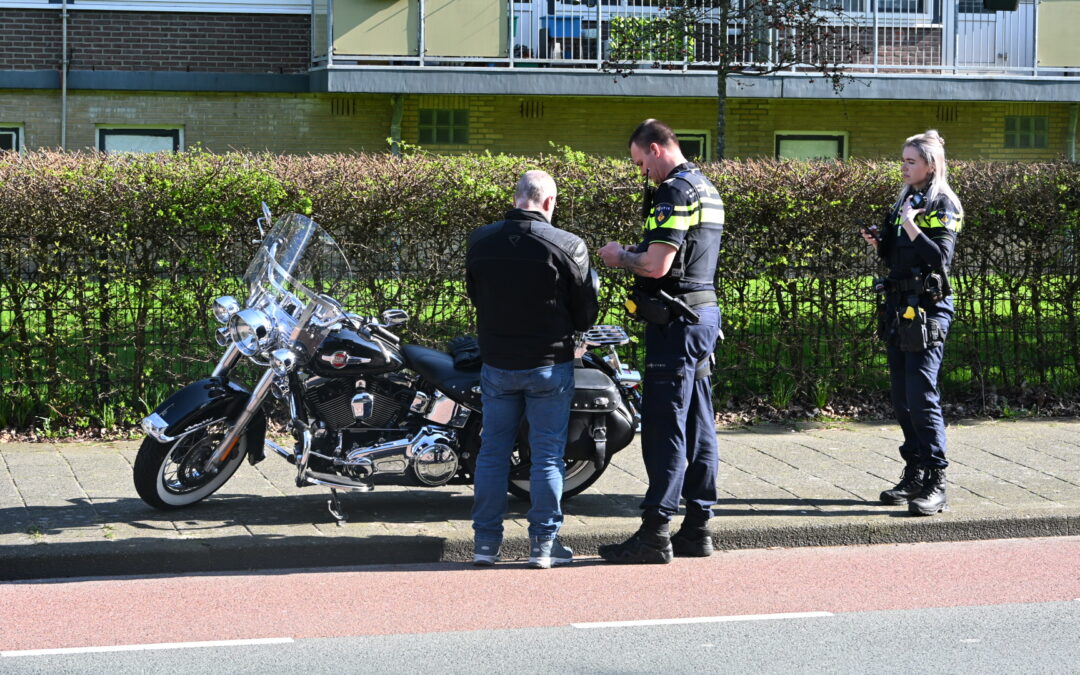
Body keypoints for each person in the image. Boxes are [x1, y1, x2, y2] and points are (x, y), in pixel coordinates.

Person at [596, 119, 724, 564]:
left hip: (677, 323)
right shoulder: (706, 187)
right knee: (699, 424)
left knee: (665, 426)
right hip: (703, 315)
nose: (642, 174)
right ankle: (697, 528)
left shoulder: (674, 190)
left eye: (640, 163)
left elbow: (657, 266)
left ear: (655, 149)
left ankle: (655, 532)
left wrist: (619, 257)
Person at [466, 169, 599, 568]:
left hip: (497, 362)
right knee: (546, 456)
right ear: (549, 202)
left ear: (516, 197)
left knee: (491, 453)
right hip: (548, 365)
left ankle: (485, 545)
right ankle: (543, 545)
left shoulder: (480, 240)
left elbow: (476, 294)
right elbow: (585, 313)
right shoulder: (568, 245)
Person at [861, 129, 963, 516]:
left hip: (929, 309)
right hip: (898, 306)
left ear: (930, 165)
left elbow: (939, 258)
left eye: (910, 161)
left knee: (922, 395)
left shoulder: (943, 204)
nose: (903, 167)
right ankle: (915, 472)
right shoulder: (905, 200)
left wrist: (910, 224)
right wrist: (879, 240)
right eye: (902, 160)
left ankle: (937, 482)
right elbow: (895, 254)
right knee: (902, 396)